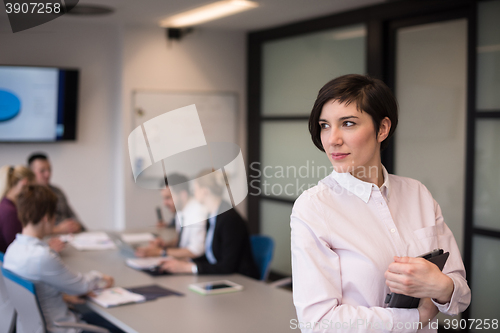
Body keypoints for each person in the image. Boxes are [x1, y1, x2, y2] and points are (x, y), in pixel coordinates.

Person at [291, 74, 470, 332]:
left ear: (382, 129)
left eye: (348, 123)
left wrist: (440, 286)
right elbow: (318, 323)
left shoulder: (417, 193)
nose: (332, 139)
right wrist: (415, 319)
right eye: (325, 125)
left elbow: (461, 297)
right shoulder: (314, 208)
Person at [3, 185, 121, 333]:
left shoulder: (11, 251)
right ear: (46, 218)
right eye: (54, 218)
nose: (55, 222)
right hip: (60, 328)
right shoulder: (42, 257)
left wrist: (63, 296)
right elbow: (81, 285)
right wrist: (101, 277)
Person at [160, 170, 260, 279]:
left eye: (195, 189)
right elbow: (210, 256)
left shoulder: (230, 219)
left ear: (204, 191)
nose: (193, 193)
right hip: (220, 277)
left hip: (241, 280)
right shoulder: (212, 215)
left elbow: (227, 266)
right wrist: (183, 262)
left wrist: (188, 267)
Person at [135, 174, 207, 259]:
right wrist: (164, 246)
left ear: (183, 195)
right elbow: (182, 241)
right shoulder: (181, 211)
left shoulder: (197, 212)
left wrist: (160, 252)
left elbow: (196, 250)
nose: (164, 203)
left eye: (168, 198)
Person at [28, 153, 84, 234]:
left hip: (70, 236)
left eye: (49, 170)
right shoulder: (27, 196)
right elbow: (30, 230)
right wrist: (58, 230)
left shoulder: (57, 191)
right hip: (49, 239)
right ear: (31, 173)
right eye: (42, 171)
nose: (47, 174)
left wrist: (77, 225)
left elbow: (72, 215)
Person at [0, 165, 36, 253]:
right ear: (24, 183)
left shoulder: (5, 204)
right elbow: (18, 251)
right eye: (32, 188)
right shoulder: (10, 212)